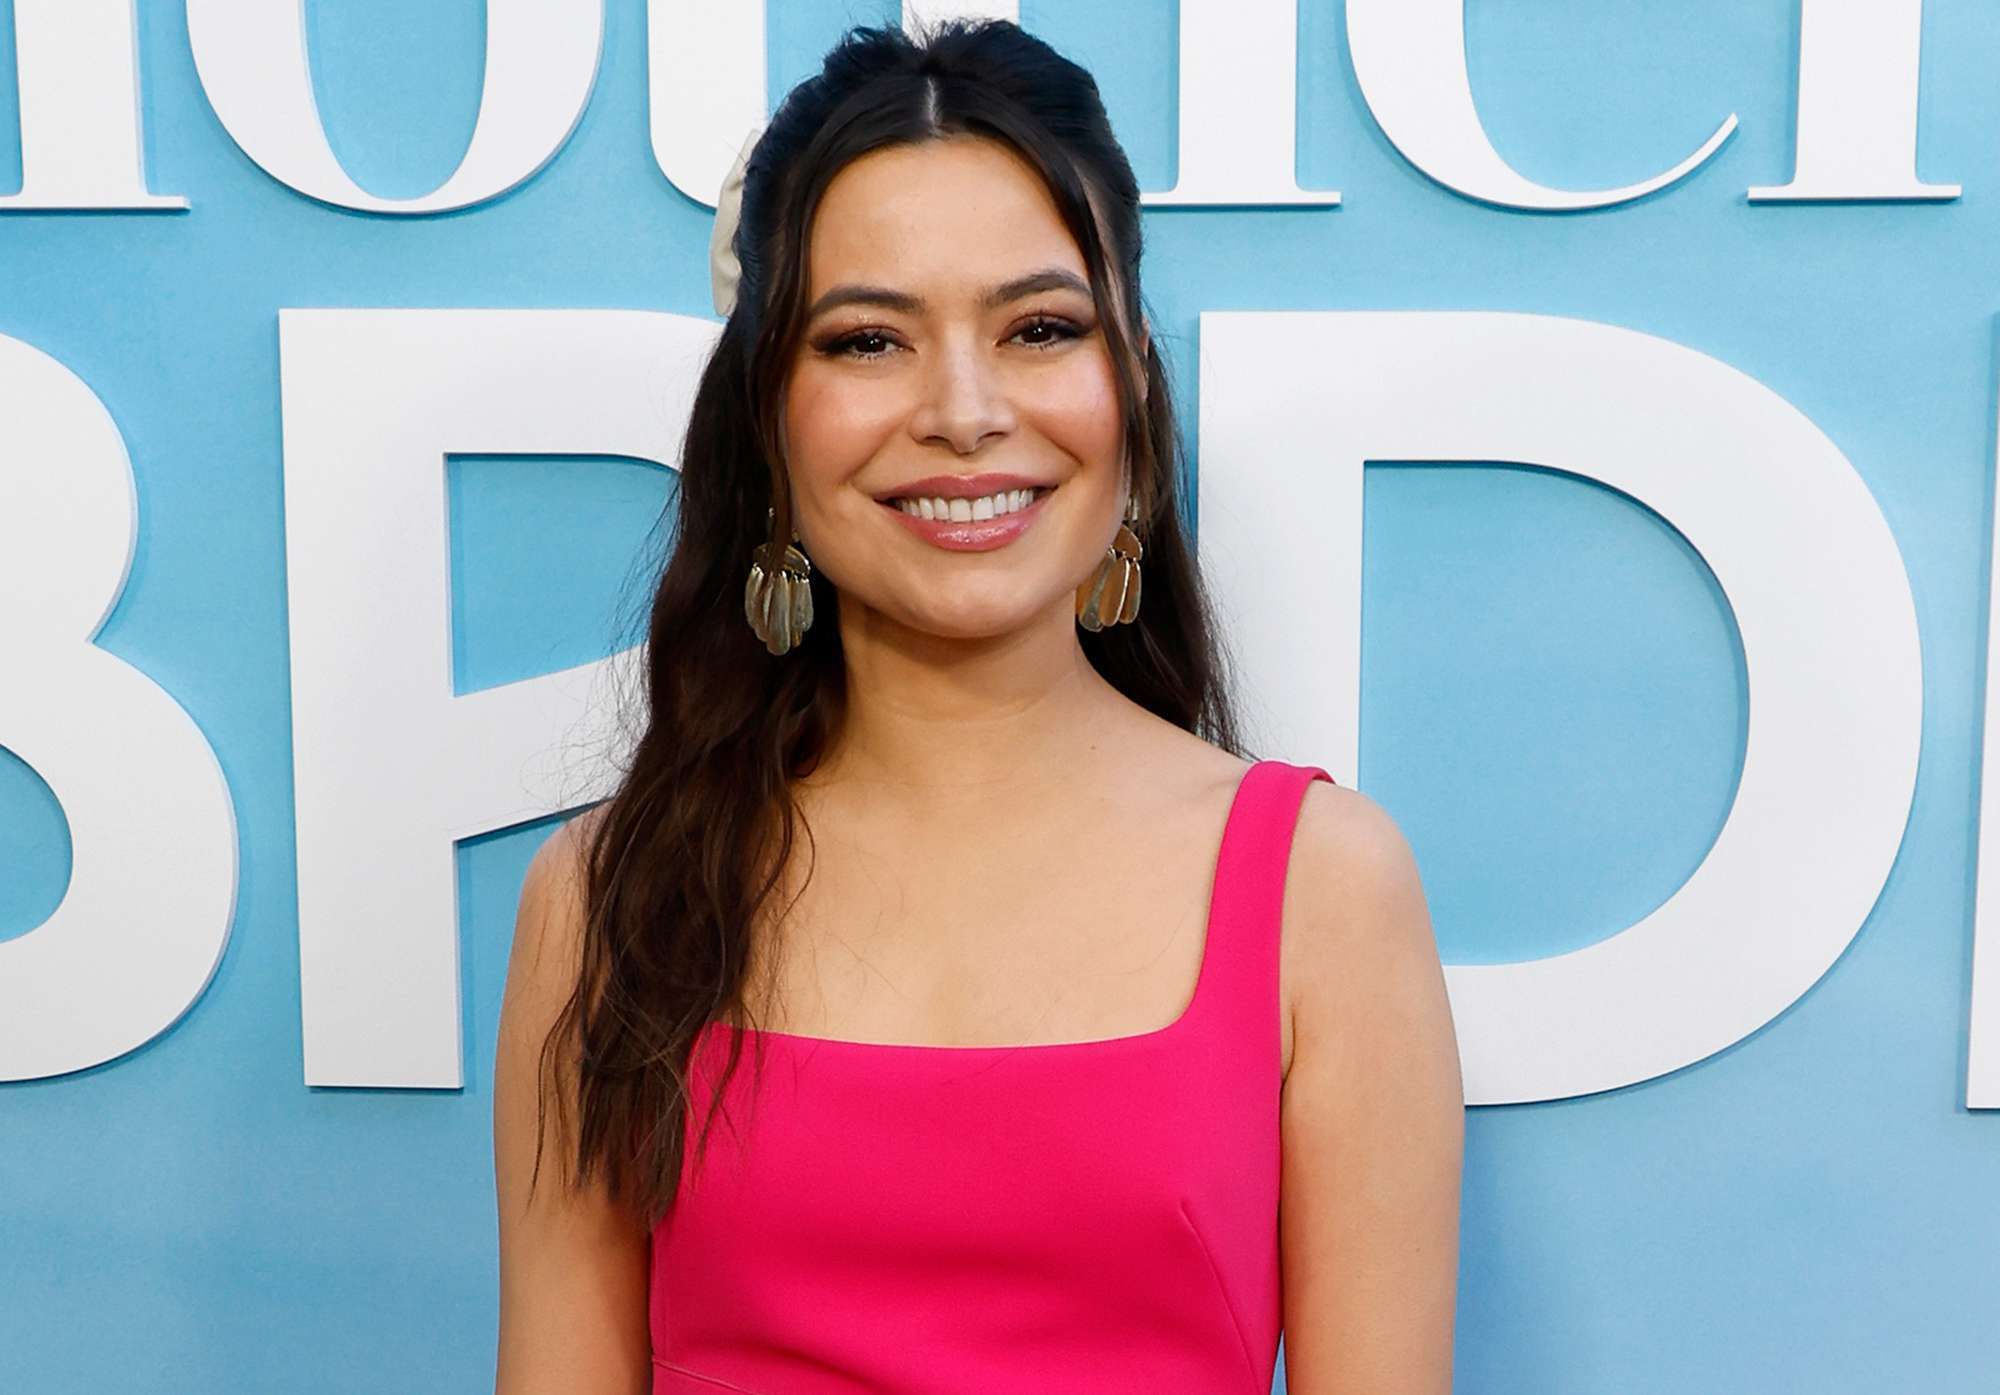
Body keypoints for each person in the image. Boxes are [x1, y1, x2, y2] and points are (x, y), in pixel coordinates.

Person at [492, 17, 1462, 1394]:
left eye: (1040, 328)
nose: (962, 410)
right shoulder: (605, 899)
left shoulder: (1326, 889)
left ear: (1129, 379)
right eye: (868, 339)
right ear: (766, 411)